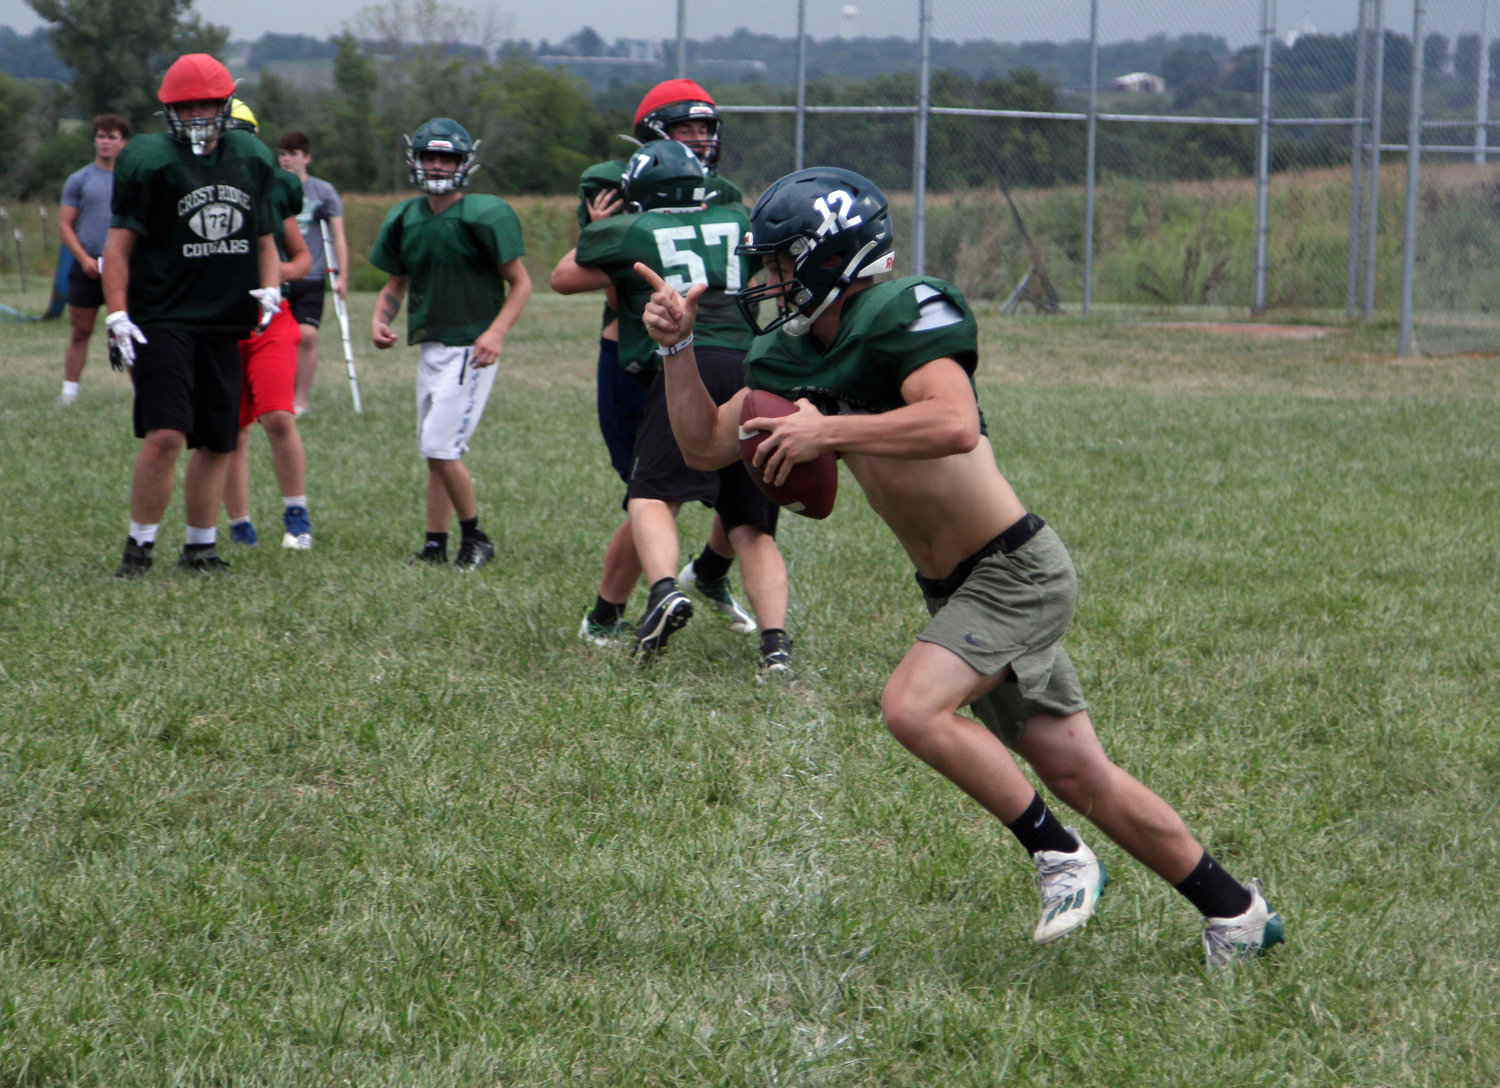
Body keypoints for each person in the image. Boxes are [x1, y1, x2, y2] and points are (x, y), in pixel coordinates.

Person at [635, 166, 1286, 967]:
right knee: (1081, 771)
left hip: (1014, 569)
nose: (768, 281)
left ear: (827, 254)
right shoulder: (790, 349)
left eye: (778, 262)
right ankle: (1238, 913)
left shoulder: (897, 307)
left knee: (910, 707)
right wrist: (677, 349)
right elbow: (704, 444)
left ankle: (1058, 856)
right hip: (956, 583)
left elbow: (953, 422)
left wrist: (829, 434)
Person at [552, 140, 791, 673]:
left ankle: (663, 589)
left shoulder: (632, 229)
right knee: (751, 524)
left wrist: (596, 223)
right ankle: (775, 643)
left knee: (652, 493)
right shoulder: (736, 214)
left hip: (686, 360)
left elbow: (564, 273)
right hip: (753, 363)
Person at [573, 79, 756, 646]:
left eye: (707, 129)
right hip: (639, 353)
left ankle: (706, 574)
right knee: (650, 491)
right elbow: (579, 274)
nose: (700, 141)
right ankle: (614, 611)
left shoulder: (722, 190)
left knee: (742, 479)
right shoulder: (613, 181)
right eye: (686, 129)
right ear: (654, 135)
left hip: (710, 345)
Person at [104, 53, 282, 579]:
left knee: (218, 438)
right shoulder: (148, 159)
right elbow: (117, 249)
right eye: (188, 105)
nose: (200, 112)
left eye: (208, 102)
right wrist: (117, 314)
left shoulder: (249, 155)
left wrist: (271, 287)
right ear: (169, 109)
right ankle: (138, 550)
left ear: (226, 104)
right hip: (161, 314)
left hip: (224, 314)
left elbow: (266, 235)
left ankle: (200, 549)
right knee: (166, 434)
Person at [368, 118, 532, 570]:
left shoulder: (484, 214)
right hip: (432, 346)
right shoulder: (404, 217)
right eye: (430, 156)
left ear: (464, 163)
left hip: (470, 347)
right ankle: (435, 545)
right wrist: (381, 319)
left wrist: (495, 332)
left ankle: (476, 537)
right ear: (415, 159)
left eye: (447, 157)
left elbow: (520, 282)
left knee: (441, 447)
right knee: (433, 451)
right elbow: (394, 283)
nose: (437, 165)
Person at [219, 100, 316, 552]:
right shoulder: (193, 184)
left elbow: (302, 259)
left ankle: (296, 514)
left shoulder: (274, 187)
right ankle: (240, 525)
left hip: (269, 320)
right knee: (229, 430)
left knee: (278, 414)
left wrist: (273, 275)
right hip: (218, 322)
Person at [57, 113, 130, 404]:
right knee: (80, 331)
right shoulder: (80, 179)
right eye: (101, 136)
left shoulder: (131, 180)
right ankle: (69, 392)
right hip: (87, 264)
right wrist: (84, 258)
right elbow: (65, 225)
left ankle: (143, 393)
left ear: (123, 142)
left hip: (123, 266)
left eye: (112, 137)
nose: (105, 142)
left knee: (127, 332)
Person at [276, 131, 349, 415]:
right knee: (278, 337)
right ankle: (277, 394)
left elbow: (337, 234)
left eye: (293, 154)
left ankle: (300, 399)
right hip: (279, 275)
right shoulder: (273, 187)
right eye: (283, 154)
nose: (287, 160)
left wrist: (342, 276)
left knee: (306, 336)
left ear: (306, 158)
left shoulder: (323, 192)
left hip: (313, 274)